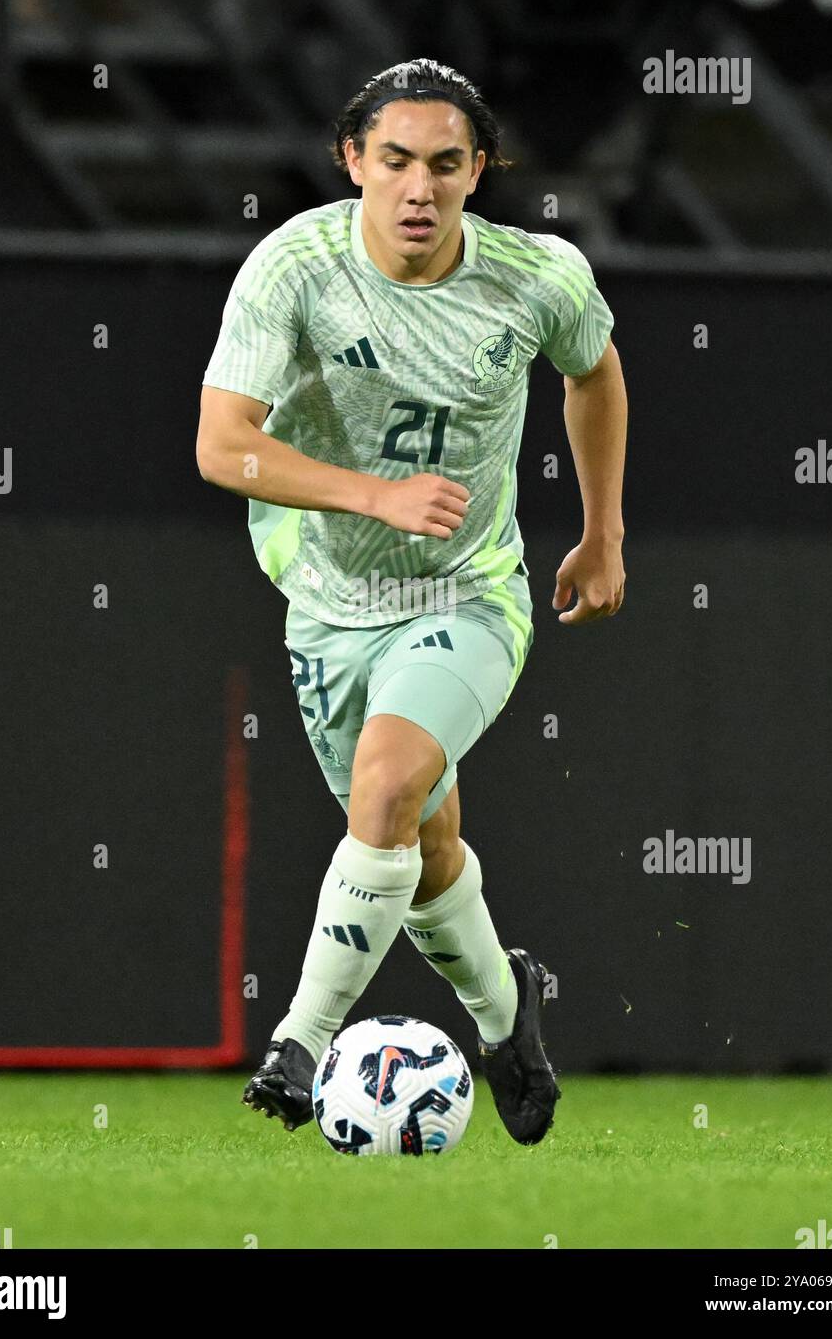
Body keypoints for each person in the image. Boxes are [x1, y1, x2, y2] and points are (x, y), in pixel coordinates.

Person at [197, 58, 627, 1146]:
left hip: (470, 594)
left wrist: (601, 528)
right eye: (394, 161)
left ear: (479, 170)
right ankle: (503, 1014)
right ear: (353, 161)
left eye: (445, 162)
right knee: (423, 845)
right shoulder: (292, 267)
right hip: (330, 600)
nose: (419, 187)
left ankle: (298, 1043)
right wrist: (372, 494)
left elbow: (595, 371)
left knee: (383, 790)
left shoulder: (538, 277)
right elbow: (222, 446)